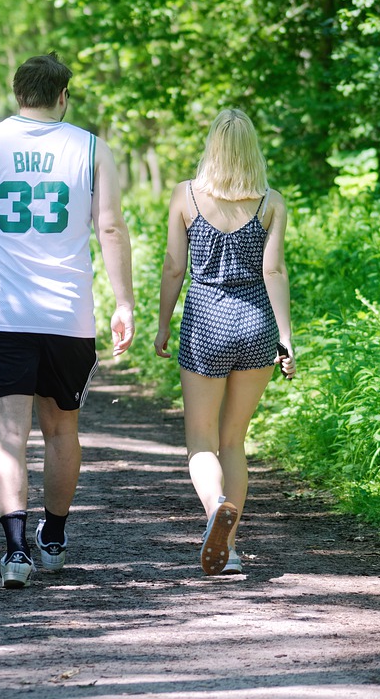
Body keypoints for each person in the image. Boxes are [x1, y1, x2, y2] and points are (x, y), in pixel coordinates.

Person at [0, 53, 136, 589]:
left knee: (8, 435)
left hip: (2, 315)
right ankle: (54, 537)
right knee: (61, 429)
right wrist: (124, 303)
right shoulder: (92, 148)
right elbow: (111, 229)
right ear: (63, 96)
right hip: (67, 316)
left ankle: (16, 552)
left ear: (16, 92)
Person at [153, 108, 296, 577]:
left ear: (212, 146)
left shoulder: (185, 196)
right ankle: (230, 551)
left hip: (206, 321)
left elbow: (174, 267)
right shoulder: (270, 202)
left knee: (201, 441)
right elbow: (273, 271)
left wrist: (162, 325)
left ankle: (215, 505)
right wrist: (286, 339)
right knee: (234, 440)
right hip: (256, 324)